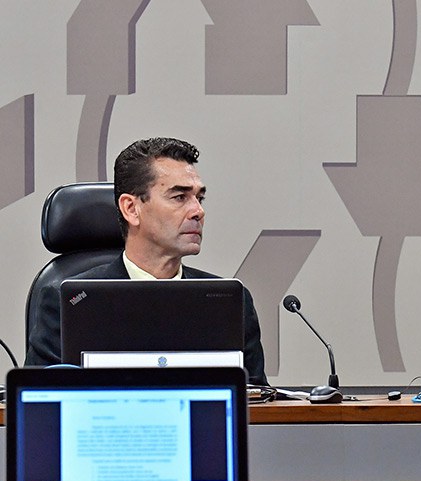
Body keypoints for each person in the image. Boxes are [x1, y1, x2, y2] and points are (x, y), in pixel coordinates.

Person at [25, 137, 267, 385]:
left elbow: (259, 400)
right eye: (179, 197)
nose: (198, 211)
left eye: (199, 198)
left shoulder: (230, 303)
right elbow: (38, 398)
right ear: (131, 209)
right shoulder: (65, 301)